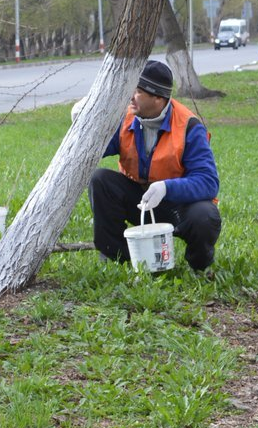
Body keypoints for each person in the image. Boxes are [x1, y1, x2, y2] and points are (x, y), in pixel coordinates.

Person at [88, 60, 221, 272]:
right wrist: (84, 123)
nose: (131, 96)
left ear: (159, 98)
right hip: (141, 202)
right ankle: (119, 258)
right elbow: (95, 150)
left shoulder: (189, 126)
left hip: (177, 206)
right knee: (100, 180)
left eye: (138, 91)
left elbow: (208, 182)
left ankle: (199, 266)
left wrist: (166, 188)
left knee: (204, 215)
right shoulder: (126, 116)